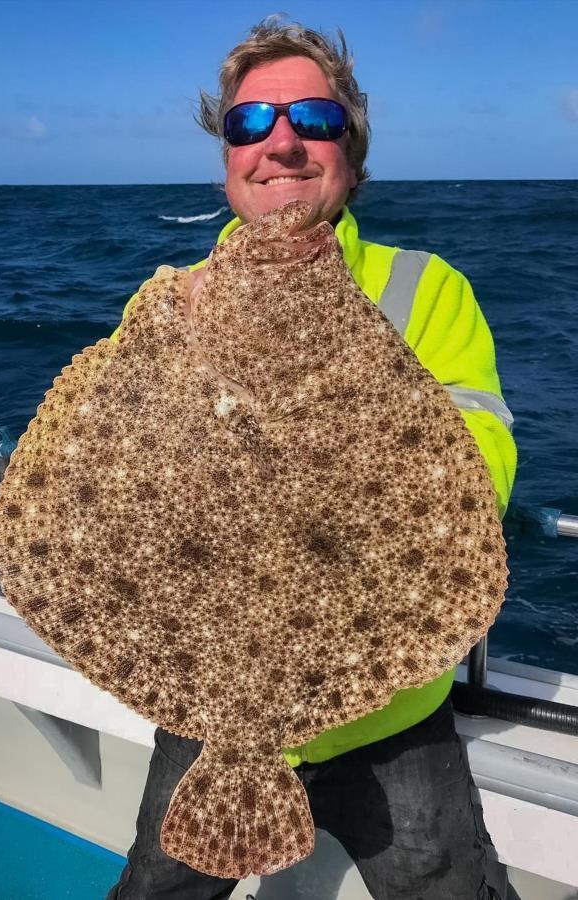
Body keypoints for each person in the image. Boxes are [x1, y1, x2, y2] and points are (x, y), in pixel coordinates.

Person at [106, 17, 517, 900]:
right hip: (209, 709)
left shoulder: (426, 290)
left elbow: (479, 483)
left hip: (389, 710)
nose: (280, 143)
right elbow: (96, 492)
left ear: (352, 153)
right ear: (227, 161)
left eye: (313, 121)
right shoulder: (164, 307)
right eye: (250, 125)